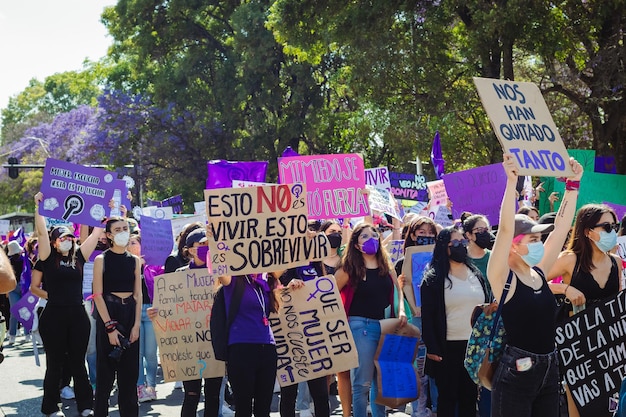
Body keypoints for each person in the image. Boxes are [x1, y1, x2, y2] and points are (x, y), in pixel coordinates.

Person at [487, 154, 582, 417]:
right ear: (514, 245)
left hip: (550, 367)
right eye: (533, 238)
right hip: (517, 371)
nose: (540, 243)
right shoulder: (501, 275)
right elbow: (505, 229)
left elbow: (561, 228)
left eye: (540, 237)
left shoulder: (538, 272)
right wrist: (511, 184)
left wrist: (573, 186)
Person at [547, 203, 623, 417]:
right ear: (588, 231)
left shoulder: (616, 263)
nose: (613, 232)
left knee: (608, 406)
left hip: (608, 344)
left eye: (615, 226)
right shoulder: (570, 259)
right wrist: (564, 288)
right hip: (577, 345)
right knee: (578, 406)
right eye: (606, 227)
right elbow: (535, 282)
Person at [30, 192, 101, 417]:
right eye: (63, 238)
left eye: (70, 237)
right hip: (53, 317)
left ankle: (86, 406)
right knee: (55, 364)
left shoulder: (80, 256)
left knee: (78, 364)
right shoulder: (47, 258)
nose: (68, 240)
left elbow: (96, 231)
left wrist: (104, 210)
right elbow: (41, 231)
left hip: (78, 315)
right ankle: (50, 407)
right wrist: (38, 206)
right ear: (53, 241)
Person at [335, 223, 407, 417]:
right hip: (360, 327)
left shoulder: (387, 267)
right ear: (356, 245)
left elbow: (398, 293)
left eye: (373, 235)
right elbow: (328, 292)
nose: (371, 239)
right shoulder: (349, 269)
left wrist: (401, 311)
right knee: (362, 383)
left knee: (380, 382)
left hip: (385, 328)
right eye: (364, 237)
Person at [420, 226, 490, 417]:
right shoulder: (433, 278)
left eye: (463, 242)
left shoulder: (475, 273)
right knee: (448, 398)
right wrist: (432, 347)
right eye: (456, 243)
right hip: (446, 348)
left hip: (474, 346)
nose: (462, 246)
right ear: (445, 247)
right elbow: (428, 316)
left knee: (469, 397)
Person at [92, 216, 142, 417]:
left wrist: (136, 325)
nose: (123, 232)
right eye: (118, 229)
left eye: (126, 228)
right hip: (109, 315)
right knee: (105, 379)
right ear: (109, 235)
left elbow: (138, 295)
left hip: (130, 314)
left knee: (129, 379)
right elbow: (97, 295)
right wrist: (110, 328)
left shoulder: (135, 260)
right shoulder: (101, 259)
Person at [216, 267, 280, 417]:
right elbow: (218, 267)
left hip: (268, 348)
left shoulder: (264, 280)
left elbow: (288, 257)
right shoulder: (233, 280)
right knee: (243, 408)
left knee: (263, 410)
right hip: (241, 349)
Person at [394, 215, 438, 417]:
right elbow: (400, 292)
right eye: (422, 233)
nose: (427, 236)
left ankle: (435, 407)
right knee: (420, 366)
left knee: (436, 364)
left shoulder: (441, 259)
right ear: (412, 235)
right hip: (416, 319)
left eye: (431, 233)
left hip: (437, 319)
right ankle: (419, 408)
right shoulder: (403, 262)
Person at [128, 233, 160, 403]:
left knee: (150, 353)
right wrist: (134, 267)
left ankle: (152, 386)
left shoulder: (154, 266)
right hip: (133, 312)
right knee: (137, 353)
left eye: (134, 242)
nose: (130, 245)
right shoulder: (126, 264)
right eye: (128, 243)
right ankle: (140, 387)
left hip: (151, 311)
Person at [5, 240, 25, 345]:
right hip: (23, 287)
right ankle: (27, 334)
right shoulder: (25, 260)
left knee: (14, 311)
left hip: (12, 288)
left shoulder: (7, 262)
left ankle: (12, 335)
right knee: (26, 310)